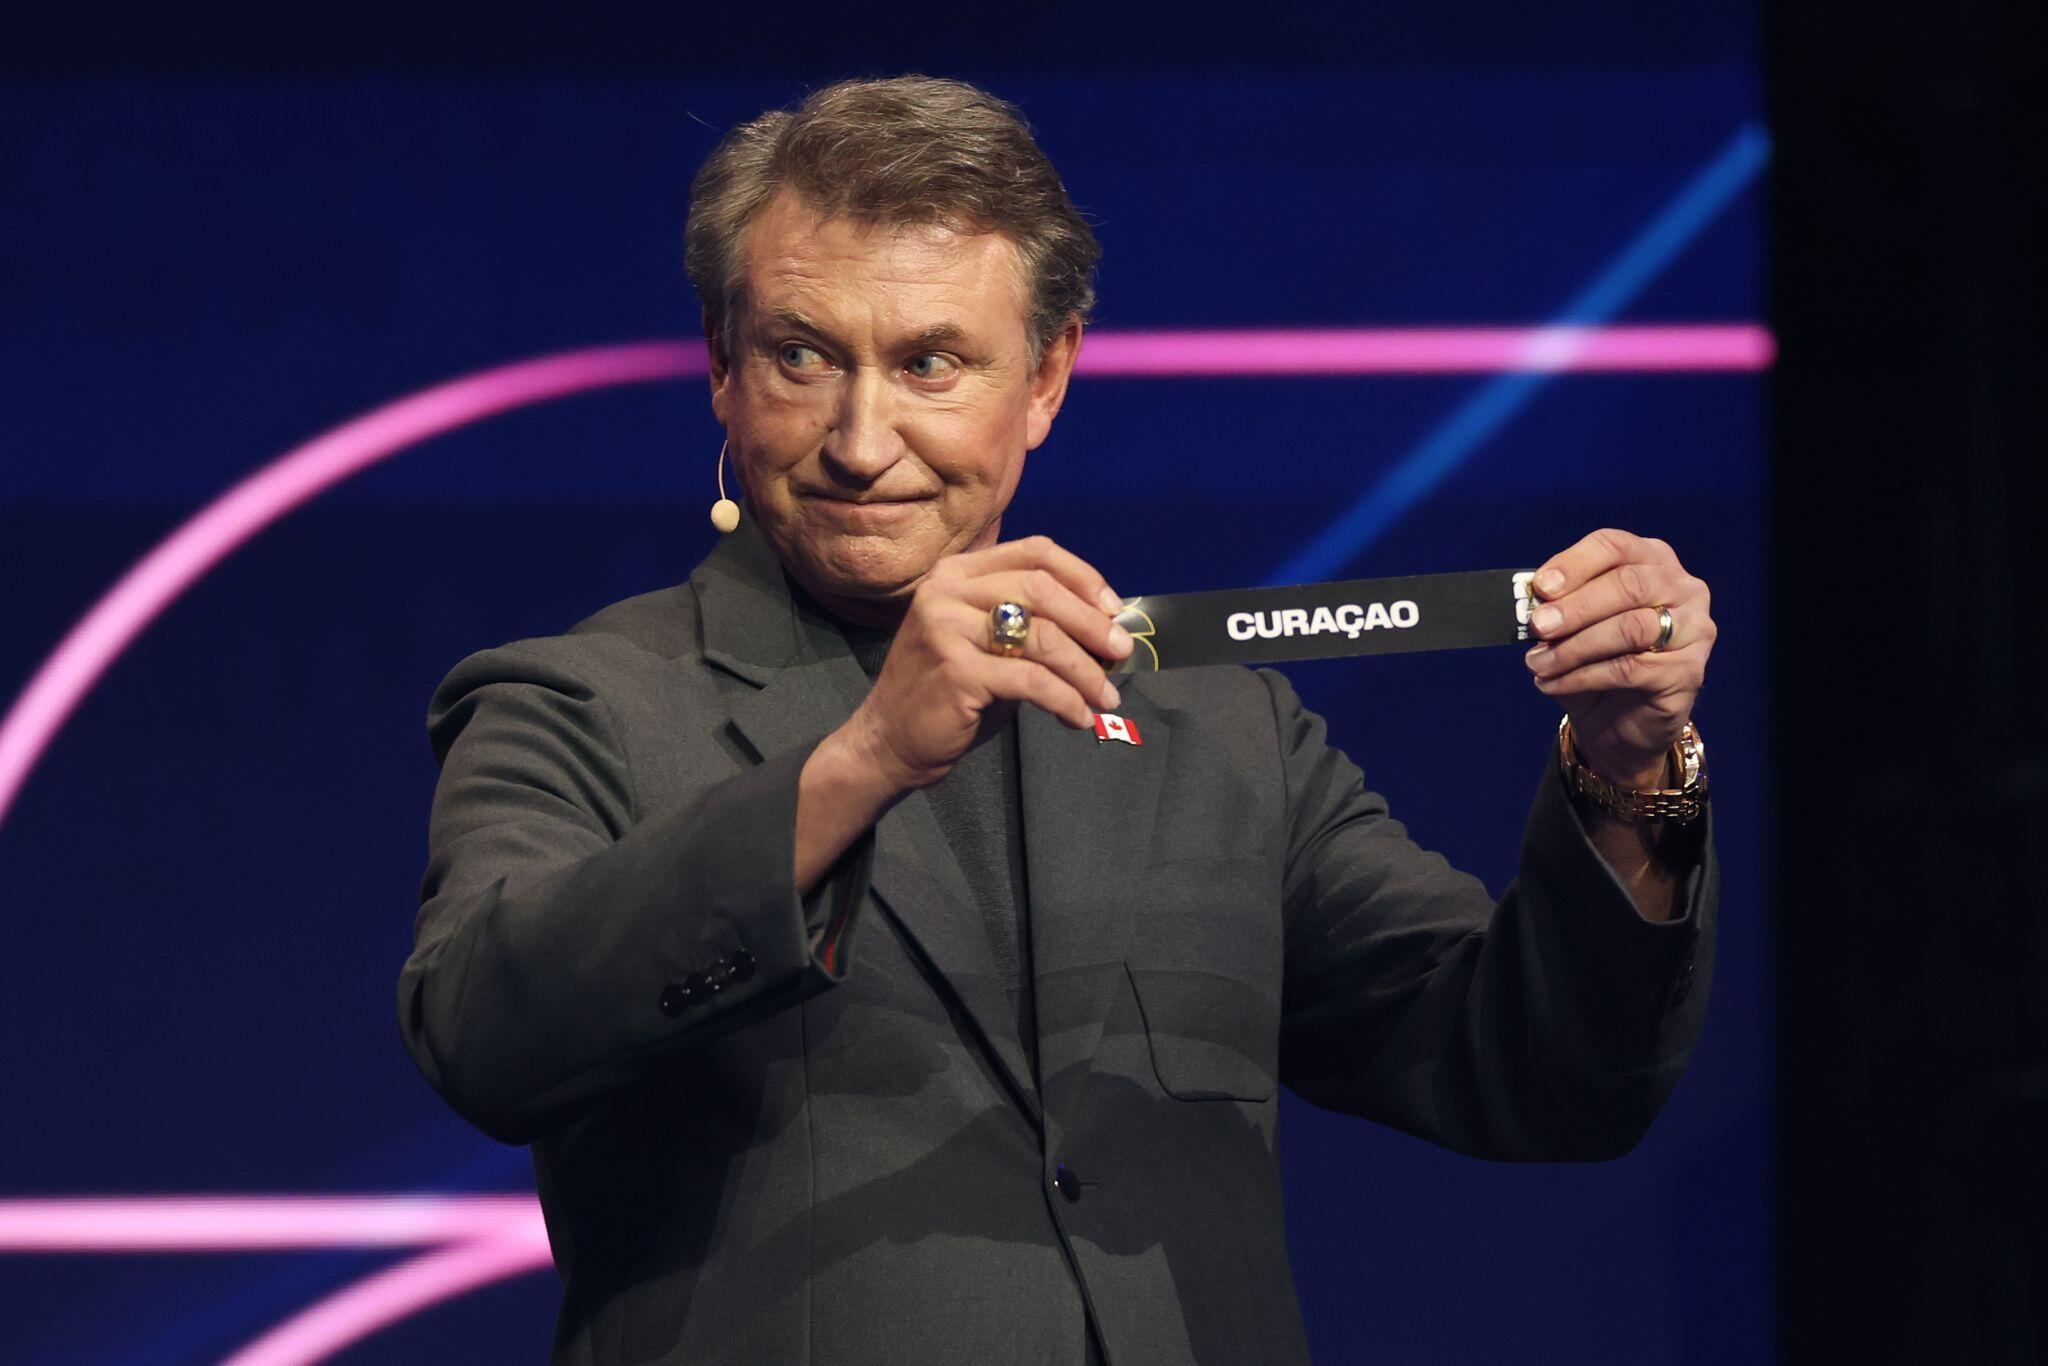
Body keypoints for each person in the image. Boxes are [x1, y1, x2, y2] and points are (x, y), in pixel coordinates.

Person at [397, 75, 1719, 1366]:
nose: (861, 439)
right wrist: (861, 762)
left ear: (1046, 376)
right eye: (804, 356)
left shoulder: (1218, 731)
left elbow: (1545, 1075)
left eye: (931, 364)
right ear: (723, 369)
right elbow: (482, 1031)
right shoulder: (581, 702)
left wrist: (1627, 774)